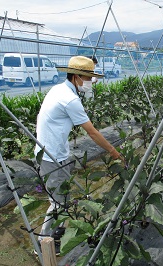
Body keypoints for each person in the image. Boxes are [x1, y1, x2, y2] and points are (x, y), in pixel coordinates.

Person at [34, 56, 122, 254]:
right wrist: (113, 151)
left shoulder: (59, 89)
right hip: (51, 155)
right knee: (57, 202)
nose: (91, 83)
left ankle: (56, 233)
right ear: (76, 77)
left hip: (54, 150)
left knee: (61, 197)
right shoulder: (70, 99)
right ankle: (43, 243)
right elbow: (92, 132)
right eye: (88, 79)